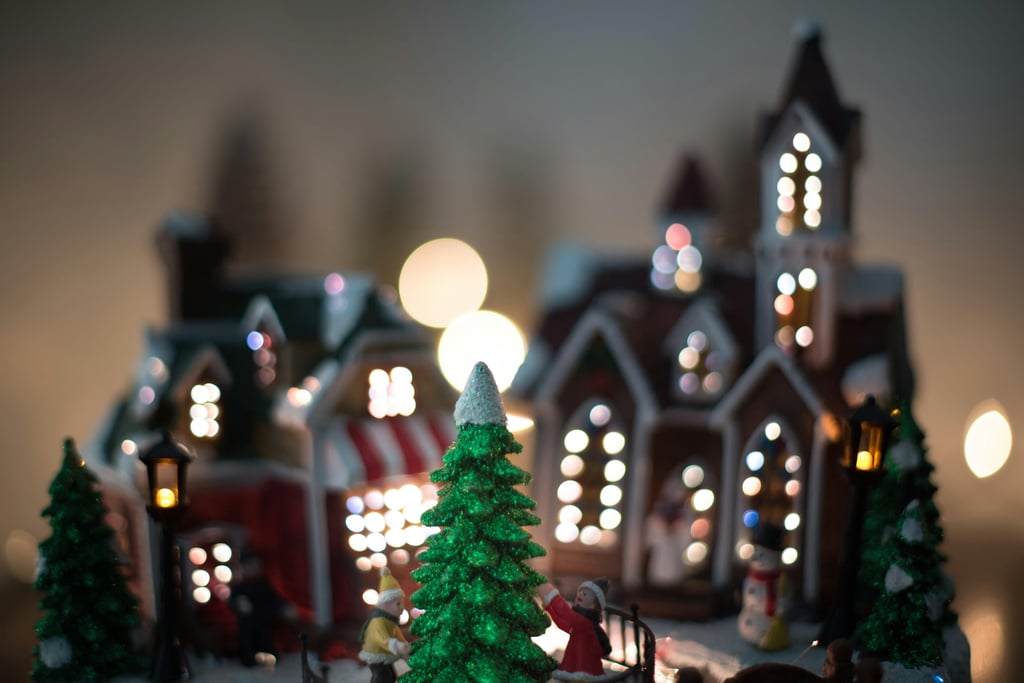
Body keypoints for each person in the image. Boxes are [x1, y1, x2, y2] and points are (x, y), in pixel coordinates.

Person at [228, 548, 297, 667]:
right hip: (247, 623)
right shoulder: (239, 587)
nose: (253, 568)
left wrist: (284, 606)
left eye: (256, 565)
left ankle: (265, 652)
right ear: (242, 567)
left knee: (264, 639)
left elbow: (274, 598)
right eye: (249, 565)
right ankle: (247, 655)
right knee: (247, 640)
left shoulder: (264, 585)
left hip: (264, 622)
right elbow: (232, 601)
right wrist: (238, 603)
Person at [538, 577, 612, 681]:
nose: (580, 596)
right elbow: (564, 625)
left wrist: (553, 597)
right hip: (575, 665)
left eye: (585, 594)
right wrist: (549, 608)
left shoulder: (585, 622)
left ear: (595, 602)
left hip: (584, 667)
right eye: (579, 593)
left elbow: (568, 615)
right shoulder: (580, 622)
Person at [359, 568, 411, 683]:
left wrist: (404, 646)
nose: (401, 607)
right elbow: (381, 638)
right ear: (386, 604)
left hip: (385, 654)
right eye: (398, 604)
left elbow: (397, 634)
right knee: (382, 677)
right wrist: (396, 645)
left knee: (391, 676)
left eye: (401, 603)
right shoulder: (377, 622)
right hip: (376, 654)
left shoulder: (390, 621)